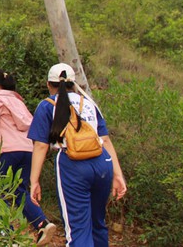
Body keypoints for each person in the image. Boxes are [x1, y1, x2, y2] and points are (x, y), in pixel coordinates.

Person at [28, 63, 127, 247]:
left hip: (73, 165)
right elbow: (105, 140)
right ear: (74, 84)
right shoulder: (89, 103)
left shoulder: (48, 106)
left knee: (78, 229)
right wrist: (118, 174)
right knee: (97, 223)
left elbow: (41, 146)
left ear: (49, 85)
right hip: (102, 163)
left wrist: (34, 181)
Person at [0, 67, 55, 245]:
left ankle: (8, 238)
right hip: (27, 151)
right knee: (19, 191)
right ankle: (42, 223)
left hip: (6, 151)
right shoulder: (17, 101)